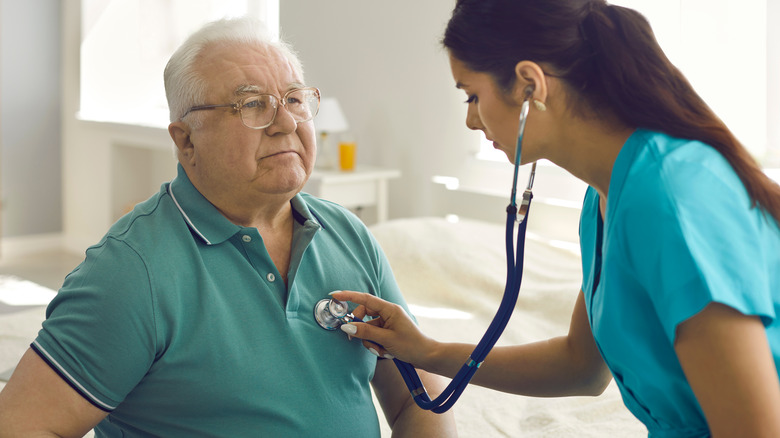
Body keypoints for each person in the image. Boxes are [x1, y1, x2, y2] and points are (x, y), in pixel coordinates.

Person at [332, 0, 780, 436]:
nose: (470, 120)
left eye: (472, 95)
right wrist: (425, 350)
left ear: (530, 85)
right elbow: (580, 368)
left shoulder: (670, 197)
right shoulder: (603, 197)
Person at [0, 17, 456, 438]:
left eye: (294, 99)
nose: (285, 123)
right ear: (186, 140)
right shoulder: (130, 272)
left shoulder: (349, 235)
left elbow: (422, 401)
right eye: (252, 104)